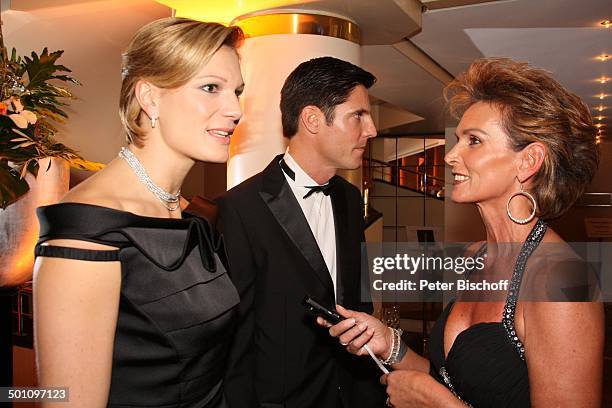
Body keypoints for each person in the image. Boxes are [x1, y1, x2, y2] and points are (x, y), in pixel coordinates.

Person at [319, 57, 604, 407]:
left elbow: (444, 400)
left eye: (474, 141)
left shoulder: (562, 280)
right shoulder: (473, 257)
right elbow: (452, 381)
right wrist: (390, 345)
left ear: (528, 161)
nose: (451, 156)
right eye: (458, 139)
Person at [33, 17, 244, 407]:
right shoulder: (87, 231)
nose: (235, 109)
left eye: (237, 91)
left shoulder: (188, 215)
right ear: (149, 97)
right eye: (211, 88)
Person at [216, 56, 386, 408]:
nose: (371, 130)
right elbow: (234, 336)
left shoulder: (351, 199)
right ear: (311, 119)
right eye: (358, 116)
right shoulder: (241, 208)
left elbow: (358, 301)